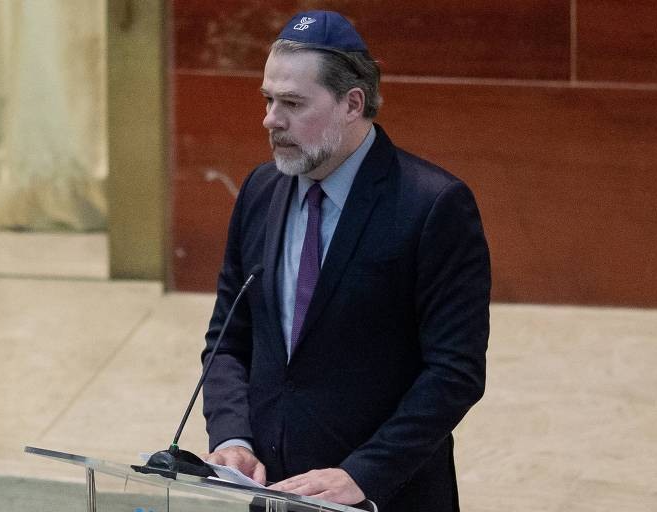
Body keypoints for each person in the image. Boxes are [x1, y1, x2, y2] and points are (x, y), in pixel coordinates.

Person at [201, 10, 490, 512]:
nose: (271, 119)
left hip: (385, 495)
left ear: (352, 103)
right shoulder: (259, 191)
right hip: (274, 492)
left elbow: (454, 372)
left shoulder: (432, 205)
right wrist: (233, 436)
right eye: (269, 100)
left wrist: (363, 474)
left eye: (292, 103)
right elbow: (229, 337)